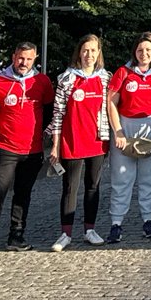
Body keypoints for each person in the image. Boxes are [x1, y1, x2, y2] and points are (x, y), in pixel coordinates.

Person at [0, 42, 54, 254]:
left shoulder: (42, 82)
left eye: (29, 59)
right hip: (6, 148)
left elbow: (49, 111)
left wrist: (40, 132)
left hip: (32, 149)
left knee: (23, 194)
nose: (24, 63)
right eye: (21, 58)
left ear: (35, 59)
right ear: (14, 56)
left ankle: (16, 235)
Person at [48, 34, 111, 252]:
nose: (89, 55)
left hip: (97, 140)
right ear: (79, 52)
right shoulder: (66, 79)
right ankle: (65, 233)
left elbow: (111, 110)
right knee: (70, 187)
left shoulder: (105, 79)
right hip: (72, 139)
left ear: (99, 53)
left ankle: (90, 229)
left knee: (93, 186)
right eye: (85, 50)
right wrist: (55, 144)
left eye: (93, 50)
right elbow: (57, 114)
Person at [104, 33, 151, 244]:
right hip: (126, 125)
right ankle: (116, 223)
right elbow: (111, 102)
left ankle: (148, 220)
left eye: (148, 50)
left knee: (149, 178)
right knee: (122, 178)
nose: (144, 54)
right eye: (140, 50)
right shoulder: (123, 72)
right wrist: (118, 131)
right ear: (134, 51)